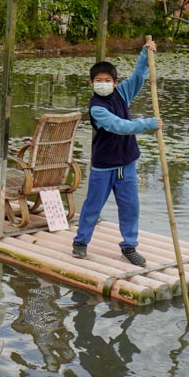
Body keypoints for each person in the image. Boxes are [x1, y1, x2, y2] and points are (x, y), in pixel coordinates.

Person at [72, 40, 162, 267]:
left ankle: (129, 246)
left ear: (115, 82)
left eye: (107, 81)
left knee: (130, 205)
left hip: (127, 162)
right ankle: (81, 242)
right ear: (91, 83)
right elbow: (119, 126)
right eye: (98, 81)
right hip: (104, 165)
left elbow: (139, 77)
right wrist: (148, 123)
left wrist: (146, 53)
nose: (103, 84)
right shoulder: (96, 107)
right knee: (93, 205)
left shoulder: (121, 93)